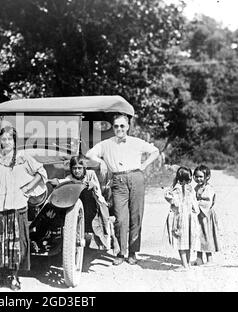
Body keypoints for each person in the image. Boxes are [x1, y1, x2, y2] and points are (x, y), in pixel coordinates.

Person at [86, 114, 159, 265]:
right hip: (118, 181)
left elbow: (155, 151)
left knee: (136, 215)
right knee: (120, 218)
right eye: (116, 126)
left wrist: (144, 166)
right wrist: (101, 162)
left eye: (122, 126)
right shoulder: (106, 144)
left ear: (128, 127)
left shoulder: (136, 142)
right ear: (113, 127)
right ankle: (120, 252)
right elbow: (89, 154)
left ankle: (132, 252)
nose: (119, 129)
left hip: (136, 177)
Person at [0, 126, 47, 290]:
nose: (6, 142)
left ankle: (14, 278)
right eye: (4, 139)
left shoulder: (23, 157)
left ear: (15, 141)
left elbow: (41, 171)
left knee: (15, 244)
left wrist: (27, 189)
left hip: (16, 205)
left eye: (10, 139)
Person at [49, 156, 119, 253]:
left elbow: (97, 189)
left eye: (79, 168)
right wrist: (56, 181)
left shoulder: (91, 174)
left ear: (84, 168)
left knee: (104, 216)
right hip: (80, 203)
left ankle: (113, 239)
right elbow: (64, 181)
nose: (77, 171)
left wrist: (92, 184)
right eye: (74, 168)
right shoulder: (70, 177)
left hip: (94, 202)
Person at [164, 166, 199, 271]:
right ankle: (187, 263)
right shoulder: (190, 189)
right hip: (190, 219)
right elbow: (195, 206)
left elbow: (169, 197)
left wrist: (173, 183)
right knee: (188, 241)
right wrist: (194, 213)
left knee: (180, 242)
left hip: (180, 218)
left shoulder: (176, 189)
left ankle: (184, 265)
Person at [193, 165, 220, 266]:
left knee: (207, 236)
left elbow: (208, 202)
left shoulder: (209, 189)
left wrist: (196, 203)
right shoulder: (196, 188)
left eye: (201, 176)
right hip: (198, 216)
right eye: (196, 176)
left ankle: (209, 259)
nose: (198, 179)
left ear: (207, 177)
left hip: (205, 216)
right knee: (197, 236)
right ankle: (199, 258)